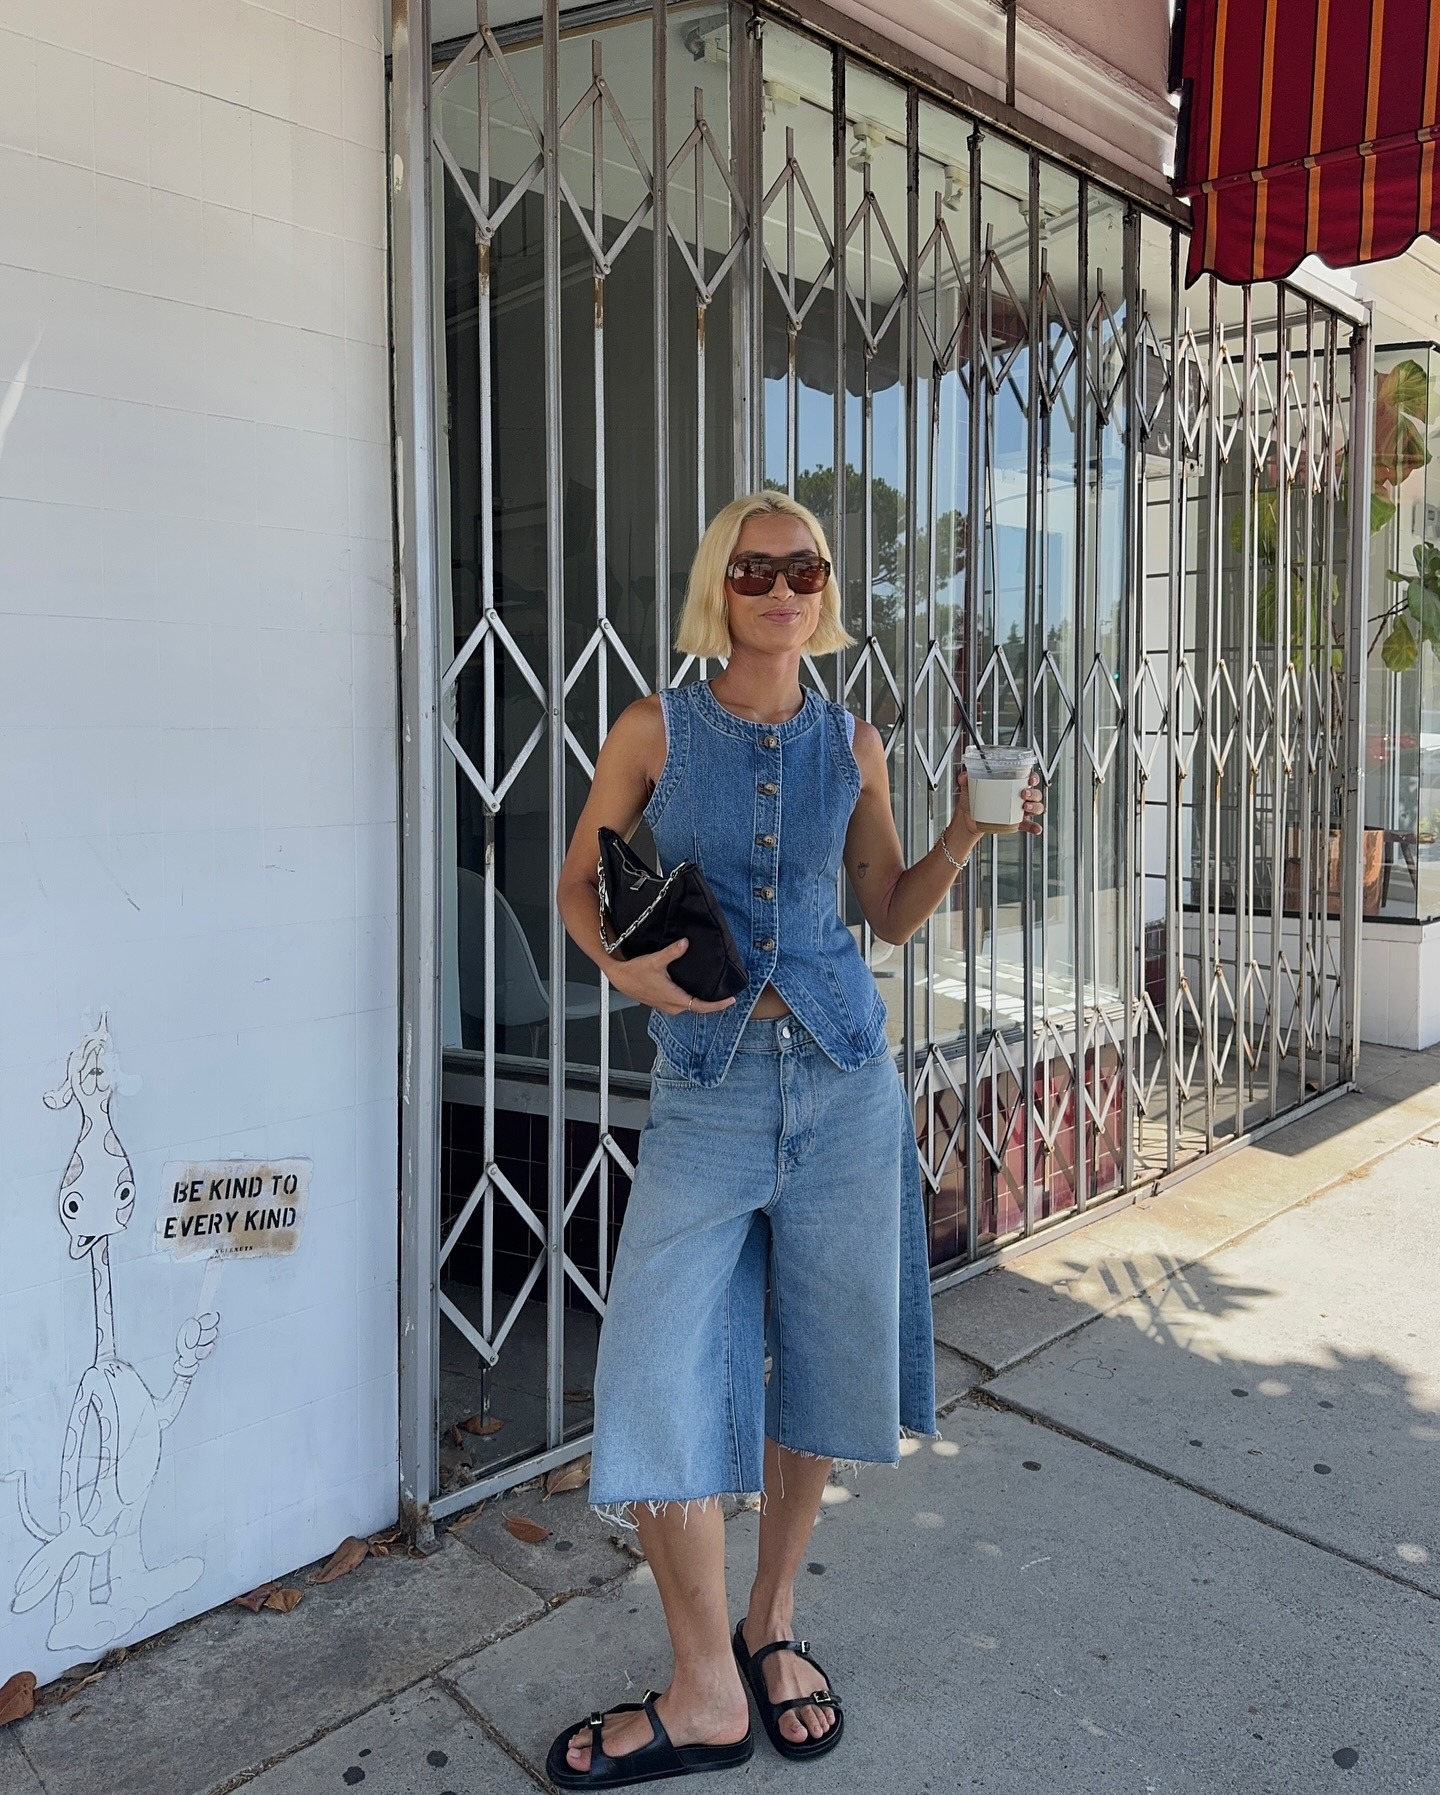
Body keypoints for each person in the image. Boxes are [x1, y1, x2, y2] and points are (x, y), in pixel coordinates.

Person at [549, 491, 1044, 1788]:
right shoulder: (655, 727)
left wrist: (962, 836)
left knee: (822, 1369)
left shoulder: (857, 742)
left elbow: (884, 909)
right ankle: (704, 1684)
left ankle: (771, 1626)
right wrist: (630, 974)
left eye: (805, 568)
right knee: (657, 1368)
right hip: (708, 1088)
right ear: (724, 582)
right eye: (758, 568)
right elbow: (574, 881)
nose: (783, 588)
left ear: (825, 589)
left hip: (842, 1082)